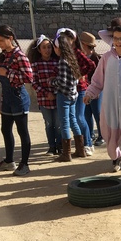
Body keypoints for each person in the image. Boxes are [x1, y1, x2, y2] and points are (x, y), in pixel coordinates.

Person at [84, 23, 121, 178]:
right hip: (109, 107)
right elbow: (97, 81)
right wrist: (90, 93)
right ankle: (116, 157)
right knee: (109, 138)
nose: (117, 42)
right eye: (115, 38)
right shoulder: (107, 58)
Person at [0, 24, 33, 176]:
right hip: (8, 99)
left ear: (10, 39)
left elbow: (29, 77)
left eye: (1, 41)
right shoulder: (5, 55)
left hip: (18, 97)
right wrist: (3, 102)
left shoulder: (19, 56)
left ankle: (25, 164)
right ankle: (9, 161)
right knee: (5, 129)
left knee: (22, 131)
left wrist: (8, 73)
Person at [51, 33, 83, 163]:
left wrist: (52, 82)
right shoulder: (72, 60)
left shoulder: (63, 62)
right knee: (73, 120)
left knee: (65, 123)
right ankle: (80, 149)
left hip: (64, 95)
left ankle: (66, 153)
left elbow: (62, 81)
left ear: (59, 48)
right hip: (73, 95)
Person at [28, 34, 60, 156]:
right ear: (39, 49)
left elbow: (61, 79)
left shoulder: (56, 62)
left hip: (57, 98)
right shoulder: (35, 65)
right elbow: (34, 82)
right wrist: (46, 93)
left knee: (58, 124)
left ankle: (60, 145)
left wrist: (55, 93)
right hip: (44, 100)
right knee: (49, 124)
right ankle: (51, 146)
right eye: (44, 47)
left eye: (49, 47)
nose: (47, 50)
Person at [79, 32, 103, 147]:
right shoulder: (80, 58)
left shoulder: (96, 58)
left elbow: (100, 77)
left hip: (96, 89)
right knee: (86, 113)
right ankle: (90, 134)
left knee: (97, 112)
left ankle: (101, 135)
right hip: (84, 89)